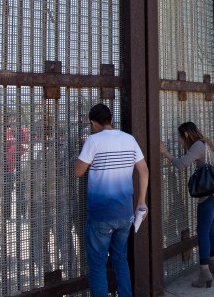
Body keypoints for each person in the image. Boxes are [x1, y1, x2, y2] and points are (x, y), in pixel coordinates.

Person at [74, 104, 149, 297]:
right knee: (120, 260)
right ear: (111, 120)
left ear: (93, 122)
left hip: (101, 216)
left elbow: (78, 172)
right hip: (125, 214)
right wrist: (141, 201)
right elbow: (143, 170)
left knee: (98, 265)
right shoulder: (129, 139)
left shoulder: (93, 140)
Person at [160, 122, 214, 288]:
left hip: (212, 194)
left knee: (202, 232)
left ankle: (204, 272)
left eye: (179, 137)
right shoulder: (207, 142)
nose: (179, 140)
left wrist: (165, 153)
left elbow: (181, 164)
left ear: (185, 134)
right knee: (211, 227)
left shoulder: (198, 145)